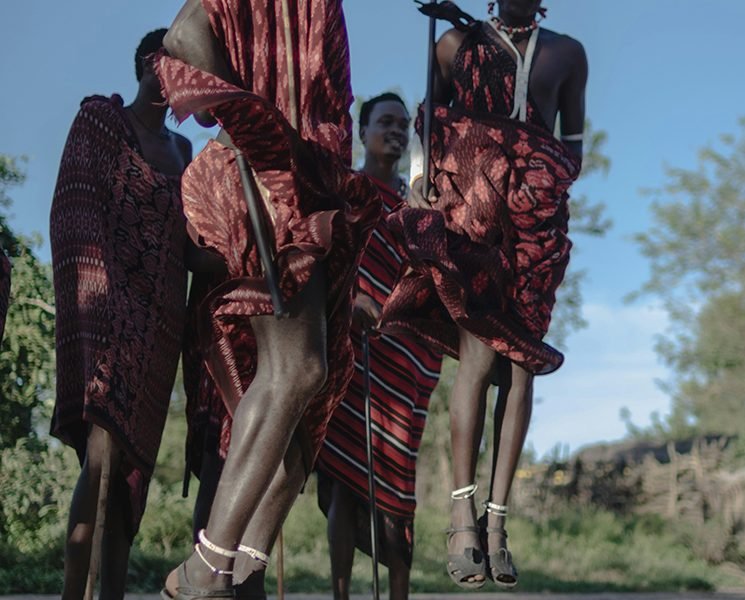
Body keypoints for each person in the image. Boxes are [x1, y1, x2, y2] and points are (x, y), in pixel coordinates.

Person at [156, 1, 380, 598]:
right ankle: (206, 566)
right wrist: (245, 123)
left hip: (310, 179)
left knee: (317, 387)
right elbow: (183, 35)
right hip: (264, 168)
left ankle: (239, 567)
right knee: (295, 366)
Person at [379, 0, 587, 589]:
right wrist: (425, 184)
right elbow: (430, 122)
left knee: (521, 367)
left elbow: (574, 143)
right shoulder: (453, 46)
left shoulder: (567, 53)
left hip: (535, 225)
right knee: (476, 357)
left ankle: (498, 522)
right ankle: (461, 515)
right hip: (472, 212)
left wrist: (537, 171)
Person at [50, 28, 192, 600]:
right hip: (107, 313)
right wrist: (101, 303)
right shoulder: (102, 121)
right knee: (103, 454)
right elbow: (73, 210)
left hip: (159, 326)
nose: (180, 76)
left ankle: (110, 592)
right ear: (146, 64)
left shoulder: (185, 154)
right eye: (172, 62)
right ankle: (72, 591)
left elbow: (193, 242)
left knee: (131, 474)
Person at [316, 93, 443, 600]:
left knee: (395, 485)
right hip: (350, 344)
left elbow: (433, 278)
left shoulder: (420, 205)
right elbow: (325, 258)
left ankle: (397, 594)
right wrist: (351, 301)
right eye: (383, 121)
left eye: (402, 125)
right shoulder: (343, 191)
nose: (394, 130)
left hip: (402, 356)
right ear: (361, 130)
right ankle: (342, 593)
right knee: (344, 479)